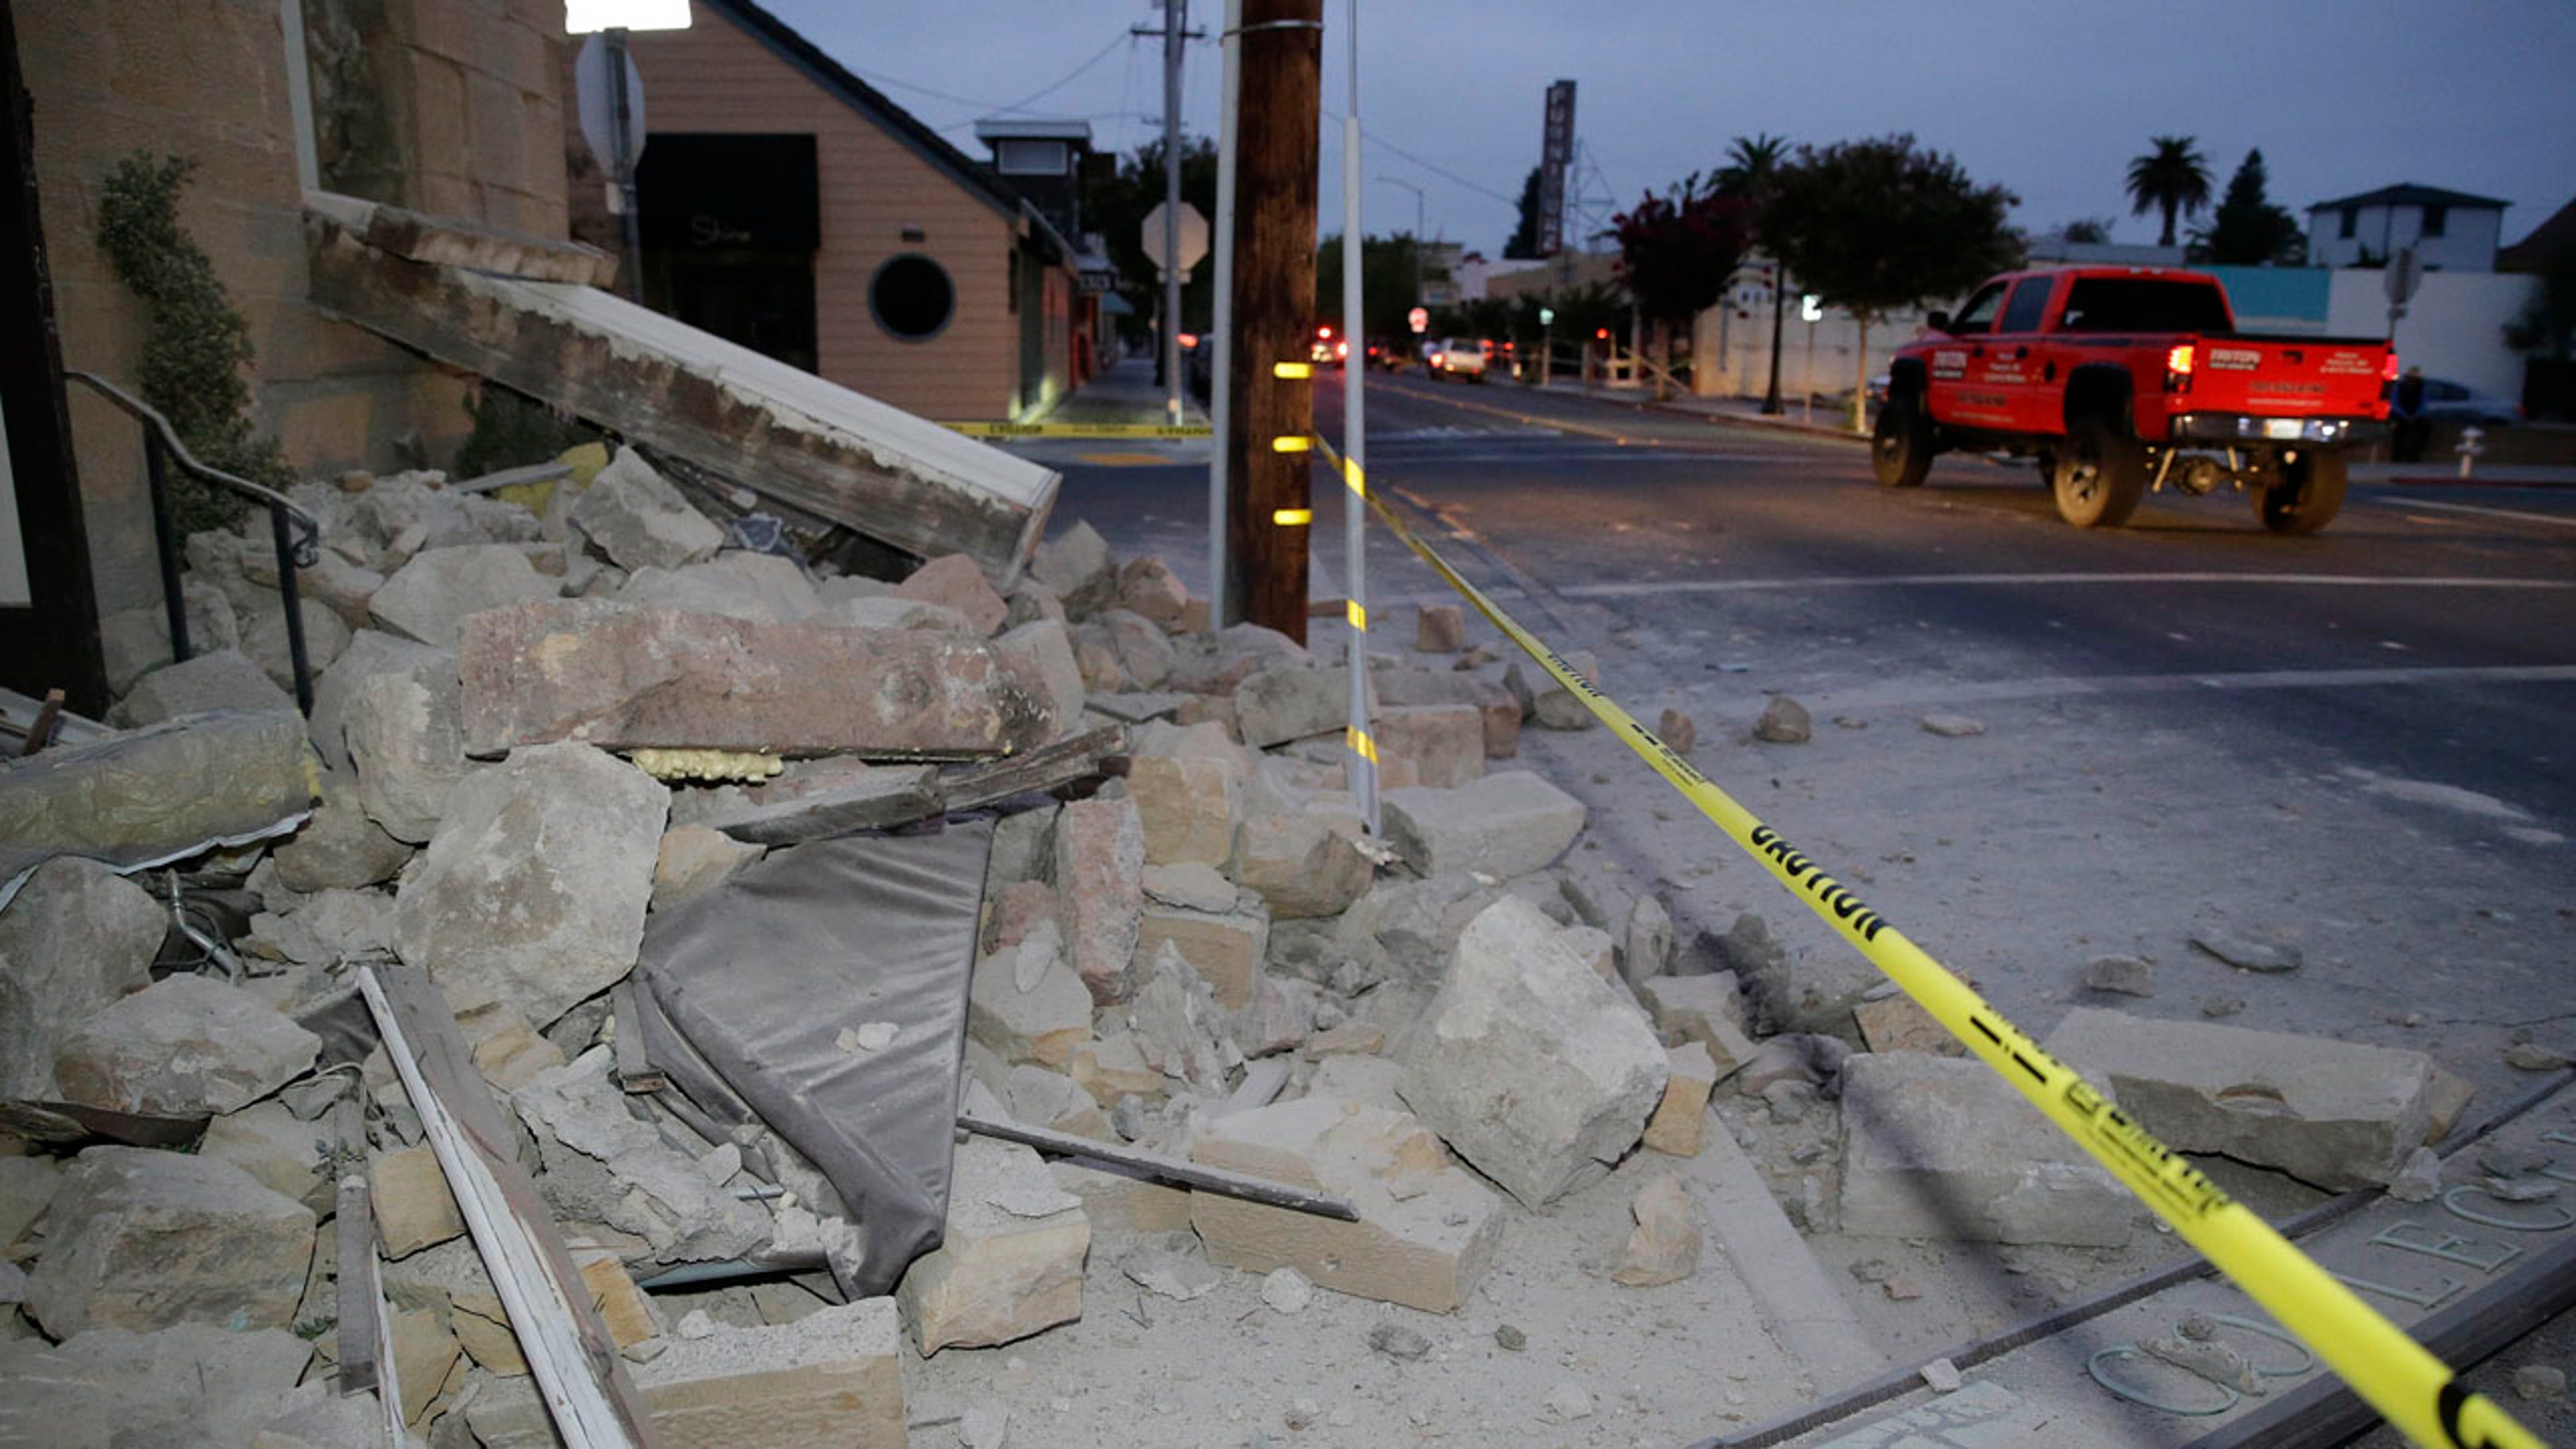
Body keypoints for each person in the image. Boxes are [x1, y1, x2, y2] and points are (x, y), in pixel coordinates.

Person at [2391, 366, 2430, 464]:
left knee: (2424, 431)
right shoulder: (2399, 387)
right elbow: (2395, 404)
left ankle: (2414, 456)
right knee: (2398, 434)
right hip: (2402, 416)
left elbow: (2424, 404)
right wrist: (2405, 415)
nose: (2412, 381)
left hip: (2416, 417)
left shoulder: (2422, 388)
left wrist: (2415, 416)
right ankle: (2397, 457)